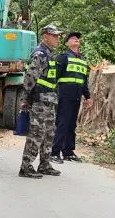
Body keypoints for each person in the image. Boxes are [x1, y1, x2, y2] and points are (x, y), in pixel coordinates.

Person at [19, 24, 63, 179]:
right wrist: (26, 99)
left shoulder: (50, 55)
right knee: (36, 133)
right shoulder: (40, 54)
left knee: (49, 133)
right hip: (39, 100)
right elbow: (30, 78)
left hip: (50, 100)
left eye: (58, 36)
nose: (58, 38)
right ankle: (26, 166)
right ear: (45, 36)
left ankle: (44, 164)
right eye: (54, 35)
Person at [50, 31, 93, 163]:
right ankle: (54, 152)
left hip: (76, 97)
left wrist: (88, 96)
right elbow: (54, 76)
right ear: (67, 43)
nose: (76, 40)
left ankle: (68, 151)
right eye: (73, 38)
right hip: (64, 95)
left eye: (77, 38)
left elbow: (83, 80)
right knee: (62, 123)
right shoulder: (63, 57)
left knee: (71, 125)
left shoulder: (82, 60)